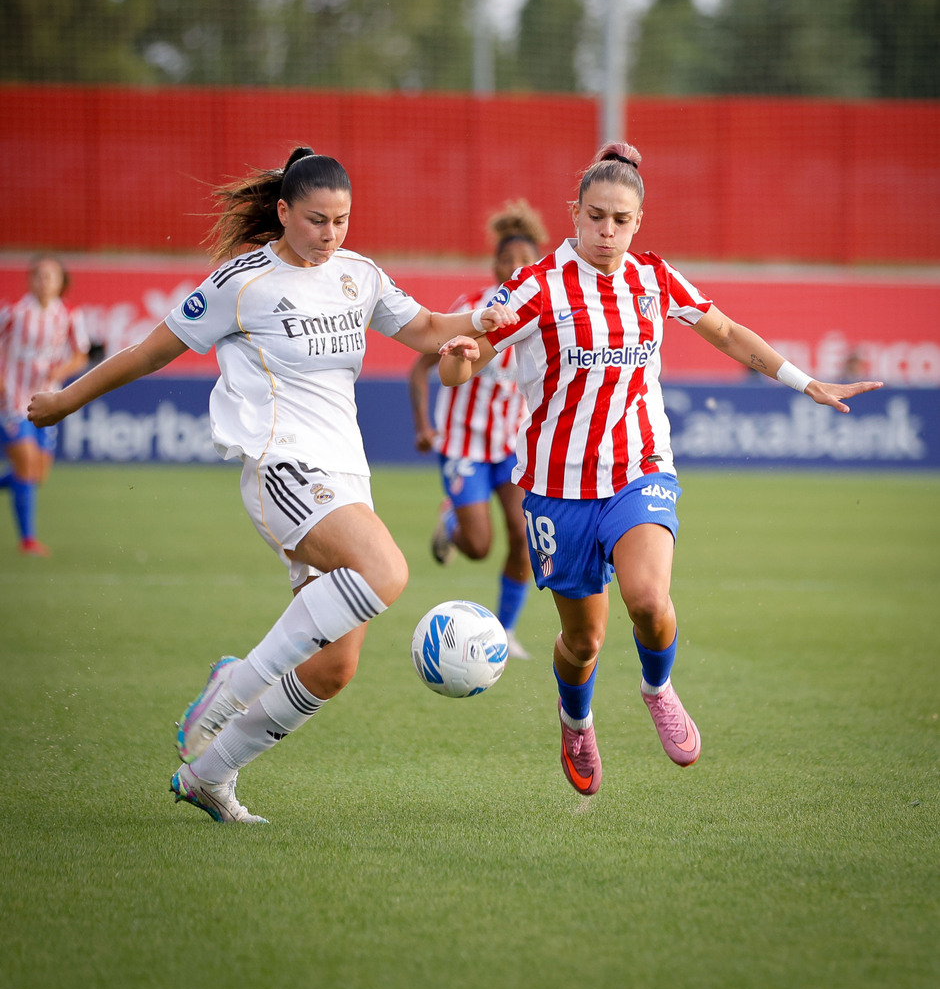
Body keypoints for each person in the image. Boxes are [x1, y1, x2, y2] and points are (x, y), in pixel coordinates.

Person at [28, 148, 517, 824]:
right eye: (317, 219)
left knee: (334, 668)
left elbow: (431, 330)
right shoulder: (243, 282)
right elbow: (151, 350)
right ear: (284, 213)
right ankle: (234, 685)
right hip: (280, 466)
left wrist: (481, 326)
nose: (330, 234)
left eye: (342, 220)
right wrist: (65, 401)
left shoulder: (360, 276)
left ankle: (209, 775)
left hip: (346, 479)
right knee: (386, 570)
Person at [437, 142, 882, 797]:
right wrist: (457, 352)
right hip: (557, 490)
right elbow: (461, 363)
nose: (607, 231)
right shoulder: (536, 288)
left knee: (648, 600)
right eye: (595, 217)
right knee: (582, 640)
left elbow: (727, 333)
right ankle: (576, 719)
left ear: (638, 221)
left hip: (639, 469)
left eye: (621, 219)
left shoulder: (654, 277)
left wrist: (804, 381)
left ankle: (657, 687)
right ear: (575, 214)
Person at [409, 201, 547, 659]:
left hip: (512, 448)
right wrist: (425, 425)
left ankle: (504, 632)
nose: (515, 268)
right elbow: (421, 368)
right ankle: (451, 520)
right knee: (479, 547)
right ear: (495, 265)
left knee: (524, 537)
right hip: (464, 445)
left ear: (538, 265)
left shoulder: (545, 316)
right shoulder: (472, 309)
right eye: (508, 260)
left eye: (526, 261)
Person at [1, 256, 89, 556]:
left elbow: (81, 355)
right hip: (12, 400)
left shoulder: (68, 316)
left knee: (36, 475)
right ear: (31, 280)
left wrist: (59, 372)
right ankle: (28, 541)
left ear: (61, 282)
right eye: (39, 276)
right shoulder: (13, 313)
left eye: (50, 276)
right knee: (25, 465)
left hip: (48, 400)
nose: (44, 281)